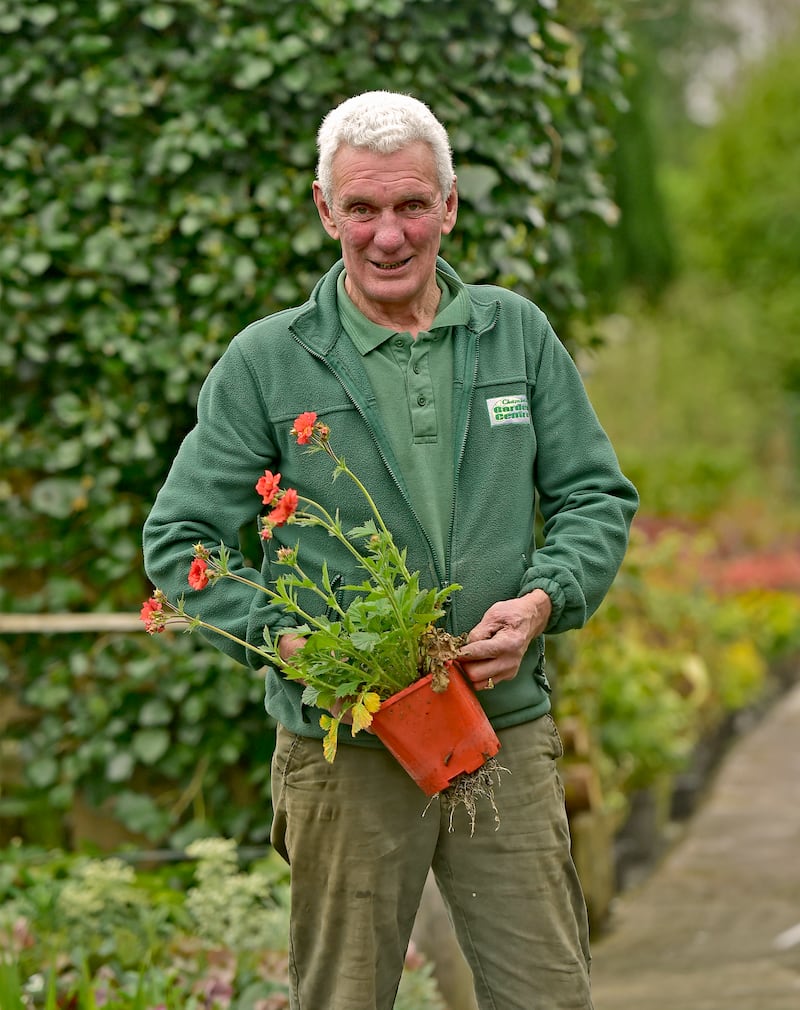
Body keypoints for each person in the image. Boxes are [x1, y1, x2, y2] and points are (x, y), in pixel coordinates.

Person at [143, 91, 638, 1010]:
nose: (388, 235)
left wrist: (541, 602)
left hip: (501, 732)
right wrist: (290, 643)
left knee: (546, 993)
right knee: (346, 996)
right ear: (326, 209)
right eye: (362, 209)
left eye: (412, 205)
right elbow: (181, 539)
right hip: (345, 744)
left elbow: (594, 496)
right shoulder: (269, 361)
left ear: (449, 206)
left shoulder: (514, 335)